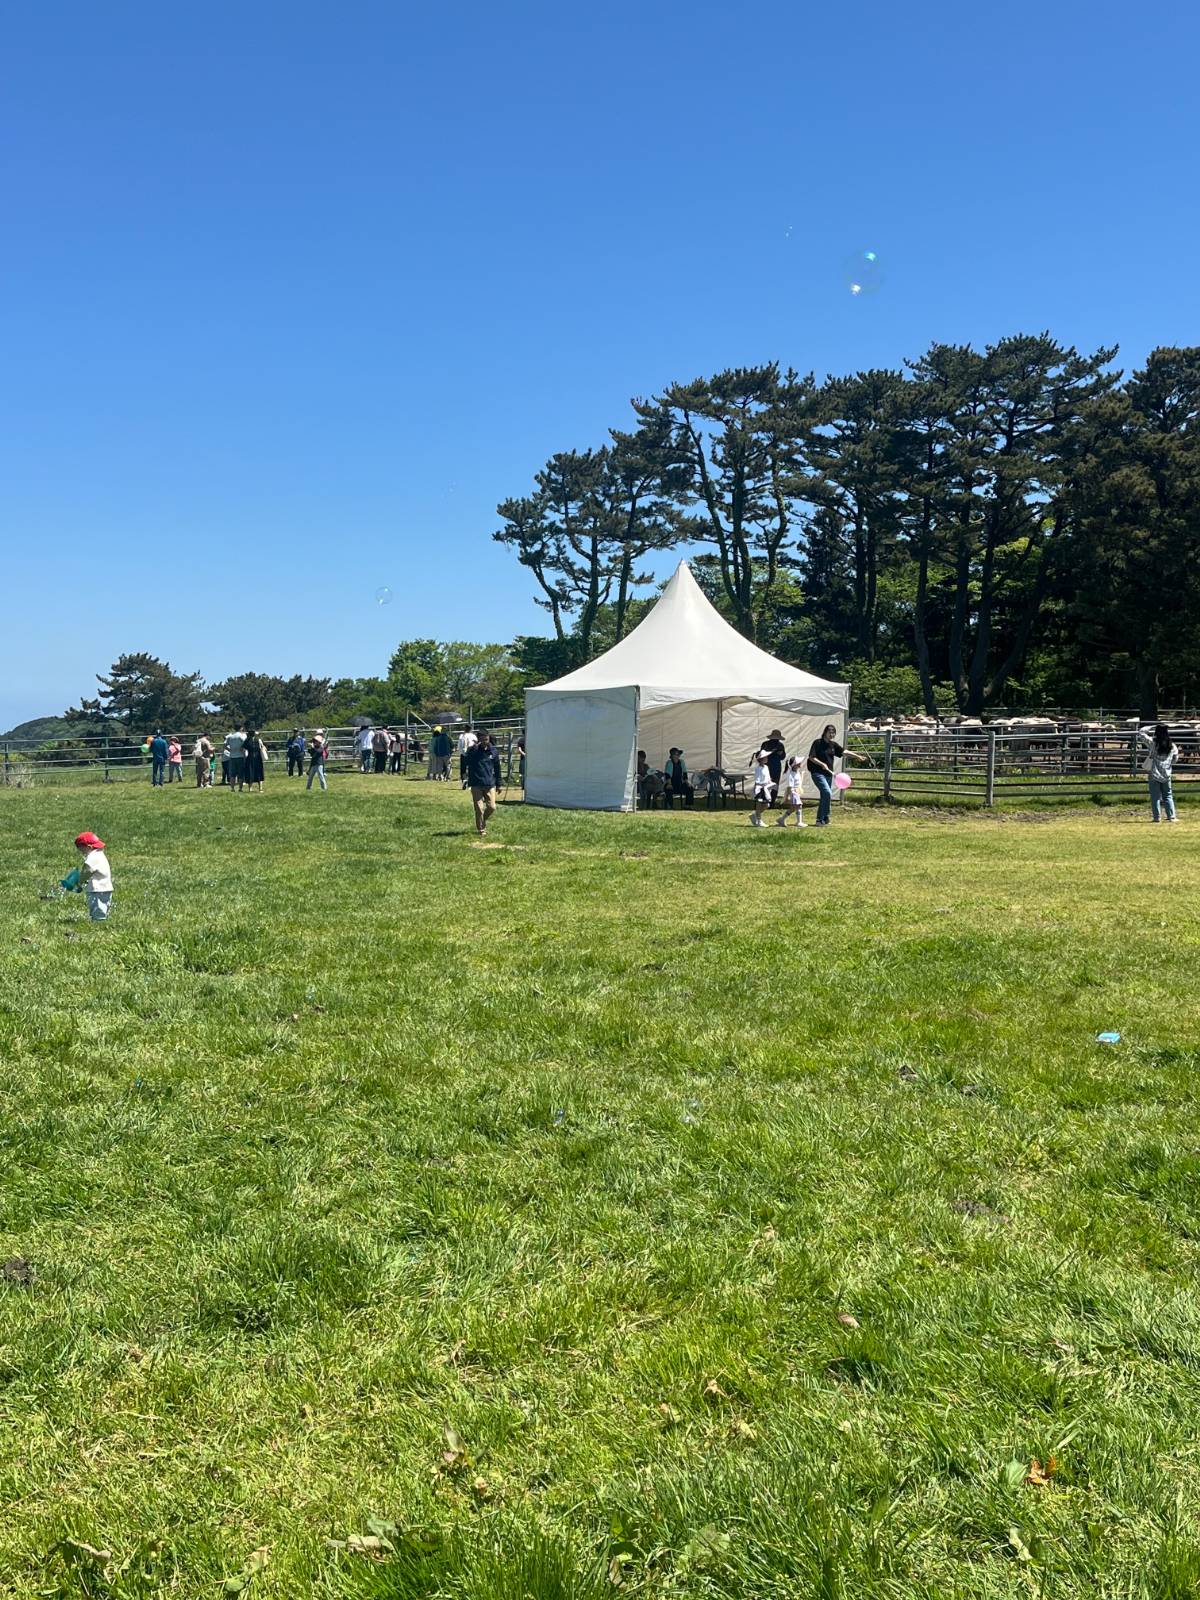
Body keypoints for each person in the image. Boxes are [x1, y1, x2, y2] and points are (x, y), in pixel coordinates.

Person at [806, 723, 866, 826]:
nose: (832, 735)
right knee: (827, 792)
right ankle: (819, 819)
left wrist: (857, 756)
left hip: (828, 774)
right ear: (825, 732)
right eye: (830, 732)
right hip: (817, 773)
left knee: (826, 795)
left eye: (833, 733)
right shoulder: (817, 743)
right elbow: (811, 757)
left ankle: (825, 818)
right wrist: (822, 764)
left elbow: (844, 751)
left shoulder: (833, 745)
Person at [1139, 722, 1181, 822]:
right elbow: (1175, 758)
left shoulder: (1153, 743)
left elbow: (1141, 732)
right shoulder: (1172, 745)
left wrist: (1152, 726)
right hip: (1166, 773)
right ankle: (1171, 816)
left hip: (1154, 773)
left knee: (1155, 797)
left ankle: (1157, 817)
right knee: (1168, 795)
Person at [70, 831, 114, 921]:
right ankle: (101, 919)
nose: (82, 852)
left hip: (97, 889)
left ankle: (98, 923)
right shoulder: (100, 854)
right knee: (102, 907)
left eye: (81, 849)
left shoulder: (93, 857)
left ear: (88, 847)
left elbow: (87, 871)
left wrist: (79, 881)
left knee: (97, 909)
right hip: (105, 887)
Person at [465, 729, 502, 836]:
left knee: (492, 807)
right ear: (478, 740)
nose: (485, 741)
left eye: (486, 739)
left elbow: (497, 768)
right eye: (482, 740)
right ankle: (481, 829)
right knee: (479, 808)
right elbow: (466, 761)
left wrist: (499, 783)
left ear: (489, 738)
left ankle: (483, 820)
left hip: (489, 783)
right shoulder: (473, 750)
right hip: (476, 782)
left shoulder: (493, 751)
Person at [776, 755, 806, 827]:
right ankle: (799, 822)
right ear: (794, 765)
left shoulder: (797, 772)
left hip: (796, 791)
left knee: (793, 808)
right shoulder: (790, 774)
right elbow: (790, 786)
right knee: (799, 805)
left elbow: (798, 782)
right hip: (793, 792)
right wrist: (788, 796)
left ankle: (782, 819)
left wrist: (802, 775)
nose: (800, 764)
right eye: (799, 763)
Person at [756, 730, 787, 801]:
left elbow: (783, 757)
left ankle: (771, 800)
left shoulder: (780, 745)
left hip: (775, 767)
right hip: (767, 766)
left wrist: (780, 754)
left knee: (773, 784)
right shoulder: (765, 744)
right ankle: (765, 799)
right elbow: (762, 755)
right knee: (765, 783)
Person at [750, 750, 775, 827]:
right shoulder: (758, 769)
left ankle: (755, 815)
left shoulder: (766, 767)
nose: (767, 758)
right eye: (765, 757)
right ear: (761, 759)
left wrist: (770, 784)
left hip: (766, 788)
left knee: (767, 805)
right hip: (760, 788)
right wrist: (758, 789)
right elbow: (757, 780)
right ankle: (759, 821)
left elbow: (768, 777)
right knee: (759, 804)